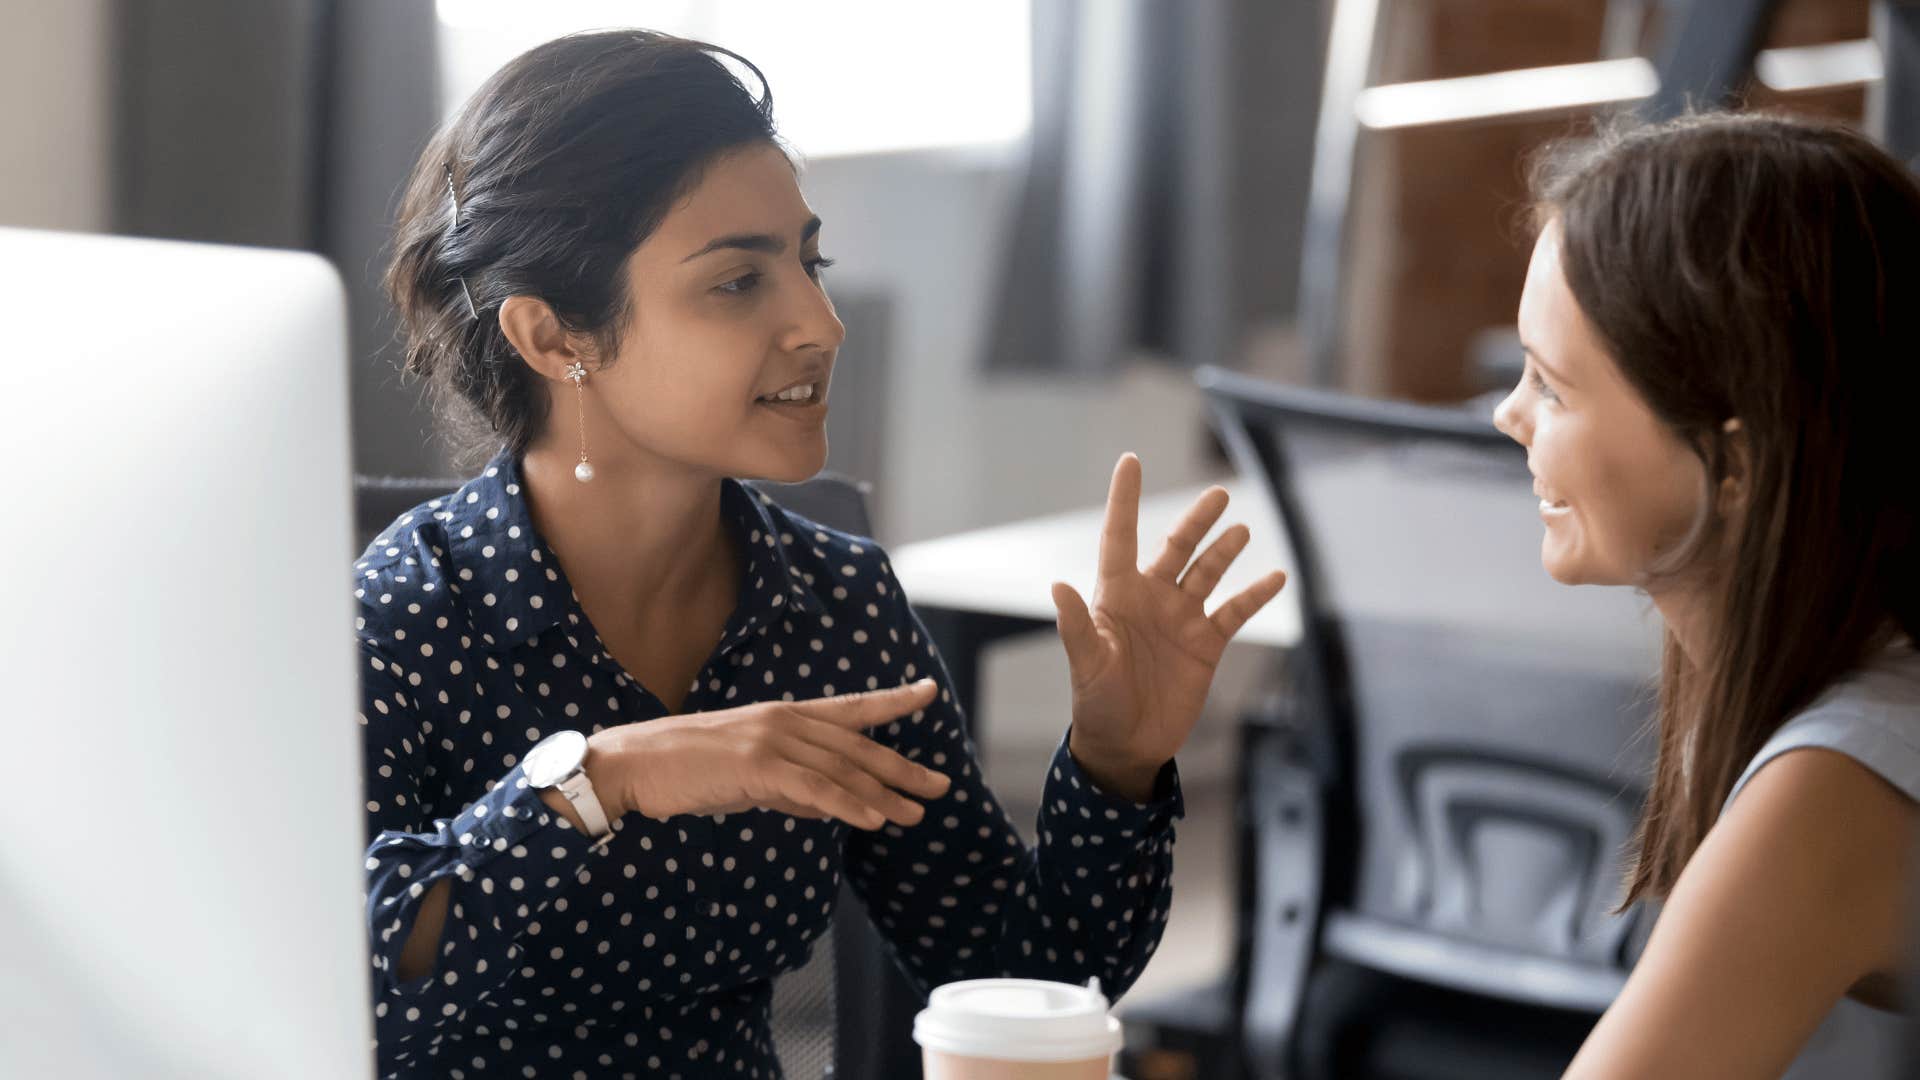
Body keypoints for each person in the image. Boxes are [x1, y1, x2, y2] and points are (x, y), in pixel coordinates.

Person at [356, 29, 1286, 1079]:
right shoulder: (406, 613)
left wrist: (1117, 763)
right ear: (553, 337)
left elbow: (1025, 974)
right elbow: (354, 989)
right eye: (737, 283)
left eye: (809, 261)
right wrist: (604, 779)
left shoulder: (836, 609)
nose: (821, 321)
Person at [1492, 111, 1920, 1077]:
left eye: (1552, 386)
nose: (1507, 414)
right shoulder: (1805, 666)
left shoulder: (1836, 781)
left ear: (1732, 462)